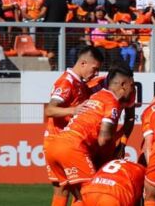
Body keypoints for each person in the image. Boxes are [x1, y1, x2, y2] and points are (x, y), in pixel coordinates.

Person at [43, 66, 135, 202]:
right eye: (132, 85)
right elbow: (104, 138)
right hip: (73, 147)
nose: (133, 89)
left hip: (55, 144)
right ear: (123, 84)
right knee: (92, 196)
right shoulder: (111, 101)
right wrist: (111, 153)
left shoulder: (97, 95)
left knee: (80, 198)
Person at [43, 46, 103, 206]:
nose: (96, 73)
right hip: (63, 141)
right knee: (85, 191)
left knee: (63, 190)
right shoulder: (67, 81)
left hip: (58, 142)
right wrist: (73, 110)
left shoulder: (79, 82)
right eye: (94, 69)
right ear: (83, 63)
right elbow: (49, 109)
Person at [80, 159, 146, 206]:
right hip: (115, 195)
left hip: (89, 191)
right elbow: (148, 197)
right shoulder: (143, 171)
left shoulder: (113, 161)